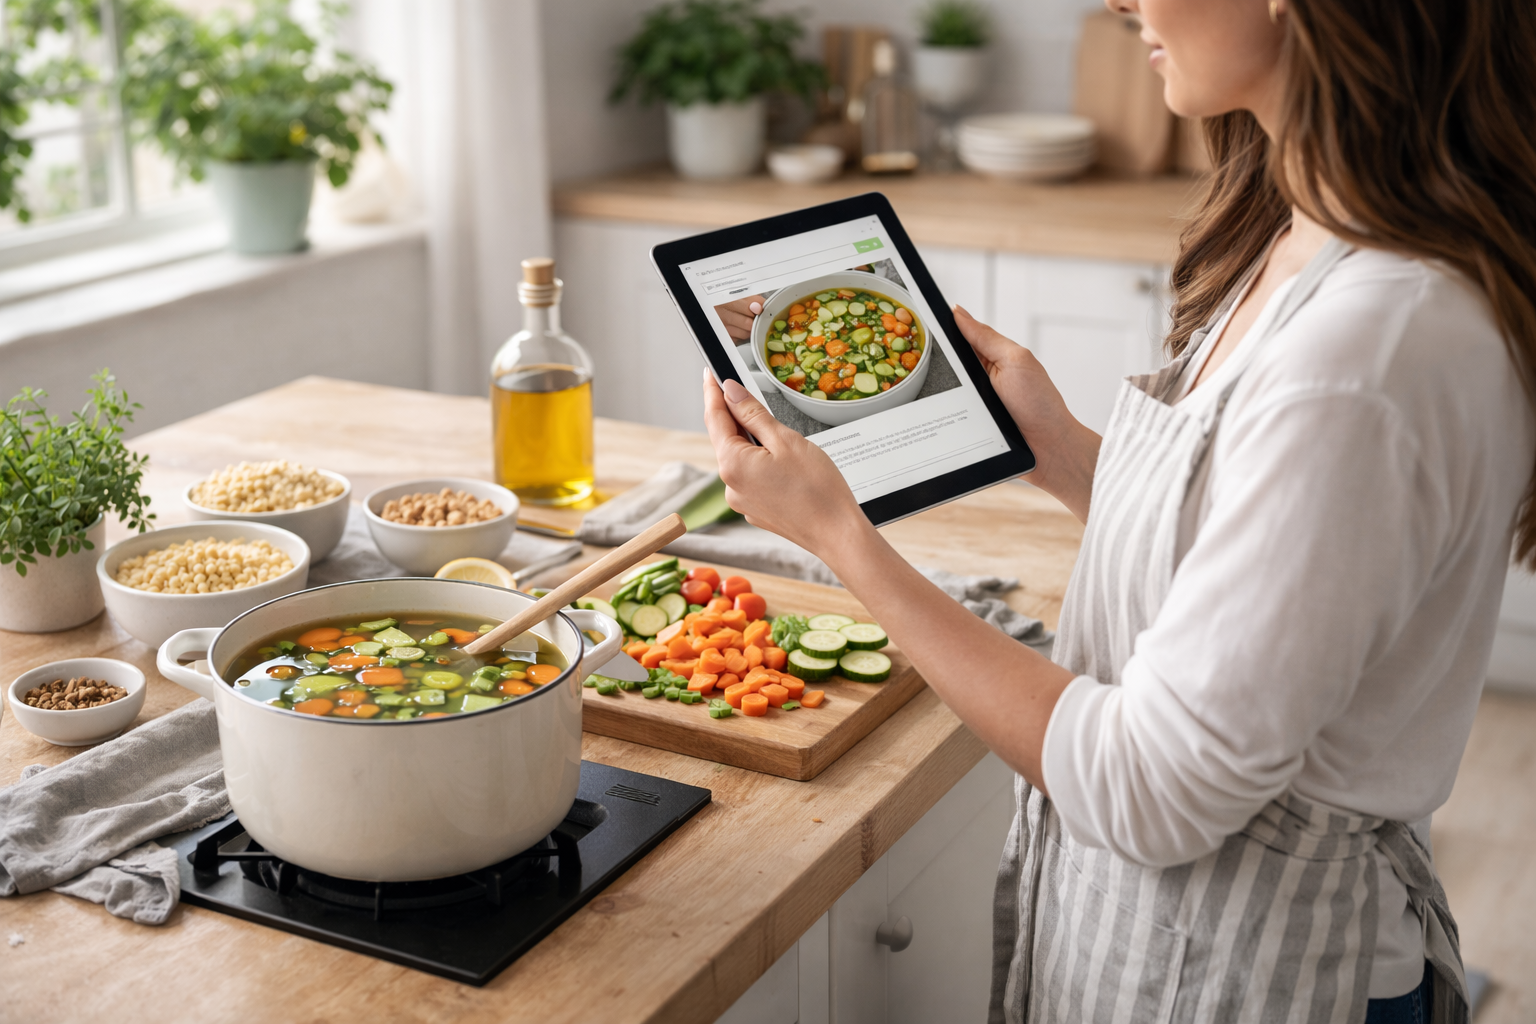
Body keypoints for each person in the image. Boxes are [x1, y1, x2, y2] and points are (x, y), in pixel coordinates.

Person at [699, 0, 1536, 1020]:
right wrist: (1056, 449)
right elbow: (1263, 575)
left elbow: (1150, 783)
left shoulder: (1370, 348)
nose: (1116, 4)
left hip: (1260, 977)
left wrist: (844, 542)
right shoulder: (1308, 236)